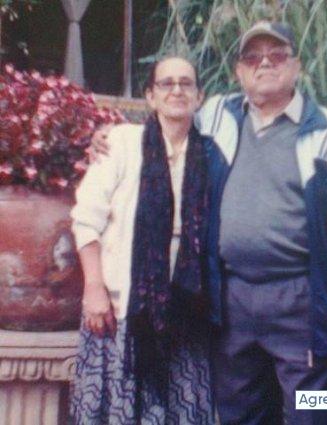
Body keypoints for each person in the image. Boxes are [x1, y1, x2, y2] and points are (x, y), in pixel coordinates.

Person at [91, 21, 327, 425]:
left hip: (298, 298)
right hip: (231, 300)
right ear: (239, 72)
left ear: (296, 66)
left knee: (311, 411)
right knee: (238, 413)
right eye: (252, 57)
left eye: (276, 55)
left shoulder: (325, 130)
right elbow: (169, 120)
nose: (264, 64)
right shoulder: (218, 115)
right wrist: (109, 133)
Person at [69, 57, 225, 424]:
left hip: (185, 313)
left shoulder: (210, 154)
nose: (177, 90)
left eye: (186, 83)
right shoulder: (122, 143)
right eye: (166, 83)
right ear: (151, 96)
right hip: (122, 312)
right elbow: (86, 219)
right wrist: (94, 287)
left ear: (199, 96)